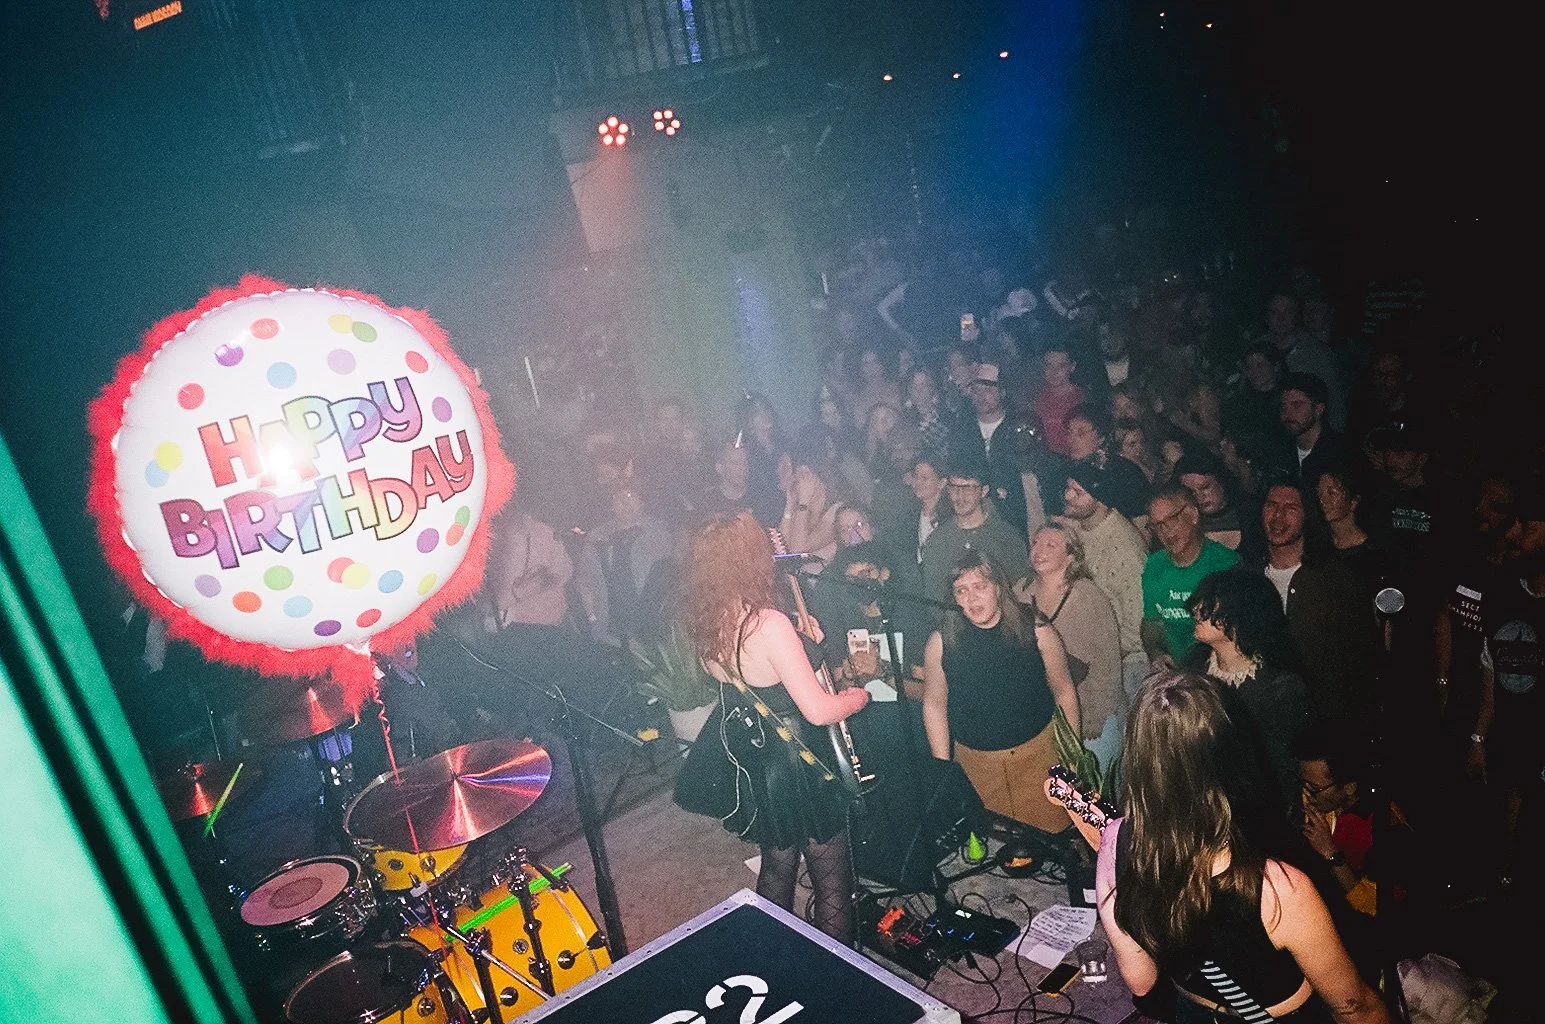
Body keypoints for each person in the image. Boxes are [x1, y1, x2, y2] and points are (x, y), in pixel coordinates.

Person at [1048, 671, 1390, 1024]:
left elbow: (1141, 981)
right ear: (1231, 755)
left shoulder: (1115, 842)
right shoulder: (1279, 888)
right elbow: (1355, 1008)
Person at [684, 511, 870, 942]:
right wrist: (857, 698)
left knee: (779, 862)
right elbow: (818, 711)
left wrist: (807, 644)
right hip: (798, 759)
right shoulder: (768, 623)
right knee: (832, 880)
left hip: (762, 760)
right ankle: (836, 971)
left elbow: (759, 676)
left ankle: (772, 952)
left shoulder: (713, 620)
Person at [921, 550, 1080, 836]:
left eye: (980, 586)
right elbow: (934, 705)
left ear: (998, 587)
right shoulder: (940, 642)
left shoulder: (1036, 629)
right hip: (976, 767)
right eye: (961, 591)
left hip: (1039, 760)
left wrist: (1072, 756)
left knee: (1055, 842)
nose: (971, 598)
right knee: (993, 846)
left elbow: (1065, 692)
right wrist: (943, 772)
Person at [1186, 569, 1313, 817]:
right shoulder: (1193, 668)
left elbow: (1284, 770)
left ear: (1240, 613)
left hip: (1260, 815)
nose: (1196, 611)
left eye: (1210, 603)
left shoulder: (1280, 687)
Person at [1260, 481, 1378, 727]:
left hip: (1324, 718)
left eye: (1290, 508)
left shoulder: (1337, 579)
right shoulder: (1247, 576)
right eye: (1271, 505)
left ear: (1308, 515)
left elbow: (1360, 658)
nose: (1278, 515)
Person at [1016, 523, 1126, 770]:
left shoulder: (1088, 598)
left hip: (1091, 722)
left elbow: (1107, 670)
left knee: (1093, 792)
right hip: (1046, 722)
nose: (1039, 550)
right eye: (1036, 543)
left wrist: (1092, 725)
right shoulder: (1021, 591)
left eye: (1051, 545)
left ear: (1070, 556)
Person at [1062, 465, 1151, 701]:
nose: (1068, 496)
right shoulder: (1075, 528)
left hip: (1127, 666)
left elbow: (1137, 625)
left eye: (1078, 492)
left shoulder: (1124, 549)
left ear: (1101, 499)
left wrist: (1098, 653)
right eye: (1069, 488)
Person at [1141, 485, 1242, 668]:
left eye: (1171, 520)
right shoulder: (1155, 565)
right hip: (1177, 670)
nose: (1165, 531)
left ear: (1193, 515)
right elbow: (1152, 622)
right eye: (1157, 526)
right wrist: (1156, 653)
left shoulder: (1225, 565)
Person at [920, 458, 1028, 616]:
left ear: (984, 491)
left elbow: (1020, 591)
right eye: (954, 488)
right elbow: (935, 601)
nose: (960, 495)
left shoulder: (1005, 537)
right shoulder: (937, 541)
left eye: (969, 488)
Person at [951, 362, 1030, 539]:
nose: (981, 396)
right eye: (976, 390)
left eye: (988, 390)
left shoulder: (1019, 426)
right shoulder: (963, 428)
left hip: (1015, 513)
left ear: (1002, 392)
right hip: (975, 509)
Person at [1063, 404, 1151, 520]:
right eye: (1069, 432)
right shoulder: (1067, 467)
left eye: (1081, 433)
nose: (1071, 440)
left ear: (1101, 438)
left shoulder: (1120, 472)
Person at [1279, 373, 1346, 489]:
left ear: (1319, 409)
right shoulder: (1280, 452)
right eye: (1283, 406)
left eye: (1296, 405)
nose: (1288, 414)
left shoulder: (1342, 451)